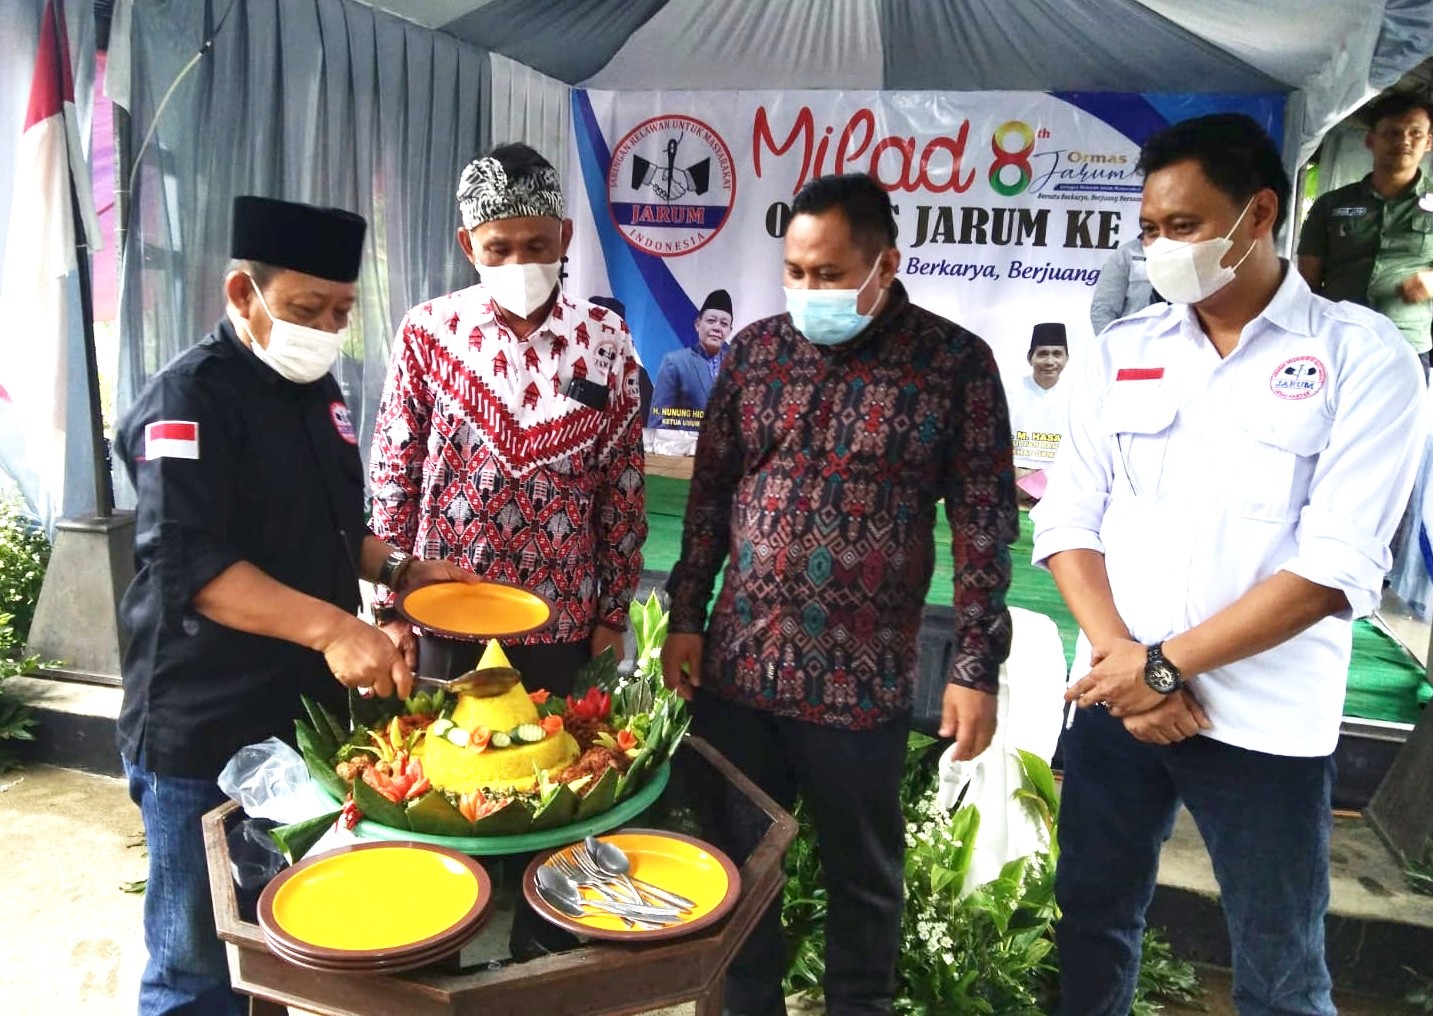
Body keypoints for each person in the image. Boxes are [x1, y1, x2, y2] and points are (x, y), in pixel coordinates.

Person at [1033, 114, 1425, 1015]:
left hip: (1262, 726)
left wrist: (1165, 666)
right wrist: (1126, 663)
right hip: (1115, 704)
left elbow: (1333, 566)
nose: (1160, 250)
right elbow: (1066, 519)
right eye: (1149, 231)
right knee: (1091, 919)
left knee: (1280, 968)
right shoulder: (1122, 352)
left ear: (1259, 214)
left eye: (1182, 227)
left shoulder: (1361, 359)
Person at [662, 173, 1018, 1016]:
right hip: (740, 667)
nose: (807, 291)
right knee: (739, 866)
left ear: (884, 264)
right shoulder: (752, 354)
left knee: (864, 876)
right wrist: (684, 616)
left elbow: (982, 524)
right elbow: (710, 497)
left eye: (827, 274)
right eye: (795, 271)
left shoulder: (953, 364)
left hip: (860, 679)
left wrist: (974, 665)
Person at [115, 195, 477, 1015]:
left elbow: (325, 528)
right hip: (199, 722)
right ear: (242, 295)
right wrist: (336, 628)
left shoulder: (315, 390)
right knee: (194, 956)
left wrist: (407, 570)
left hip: (295, 715)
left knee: (285, 926)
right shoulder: (188, 399)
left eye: (341, 311)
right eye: (305, 309)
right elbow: (194, 565)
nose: (325, 327)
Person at [370, 143, 646, 696]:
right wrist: (388, 609)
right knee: (442, 770)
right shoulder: (428, 333)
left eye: (537, 245)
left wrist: (612, 616)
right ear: (468, 245)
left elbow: (624, 488)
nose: (519, 264)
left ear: (565, 237)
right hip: (442, 618)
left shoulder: (606, 341)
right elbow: (393, 475)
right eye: (498, 249)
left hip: (561, 623)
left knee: (553, 773)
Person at [1298, 91, 1433, 368]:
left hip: (1406, 344)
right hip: (1337, 340)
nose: (1404, 141)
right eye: (1392, 132)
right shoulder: (1331, 204)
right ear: (1371, 140)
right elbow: (1306, 283)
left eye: (1415, 133)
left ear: (1428, 142)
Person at [647, 288, 734, 429]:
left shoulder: (736, 367)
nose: (717, 328)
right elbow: (659, 423)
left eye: (724, 324)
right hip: (685, 449)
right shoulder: (675, 363)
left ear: (730, 331)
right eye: (711, 321)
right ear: (697, 324)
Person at [1005, 322, 1071, 493]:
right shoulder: (1010, 391)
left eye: (1057, 354)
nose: (1050, 361)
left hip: (1060, 479)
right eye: (1042, 354)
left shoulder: (1077, 396)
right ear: (1030, 358)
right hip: (1014, 475)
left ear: (1066, 358)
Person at [1089, 234, 1159, 333]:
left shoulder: (1186, 252)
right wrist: (1113, 344)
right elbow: (1103, 309)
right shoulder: (1126, 254)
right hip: (1134, 341)